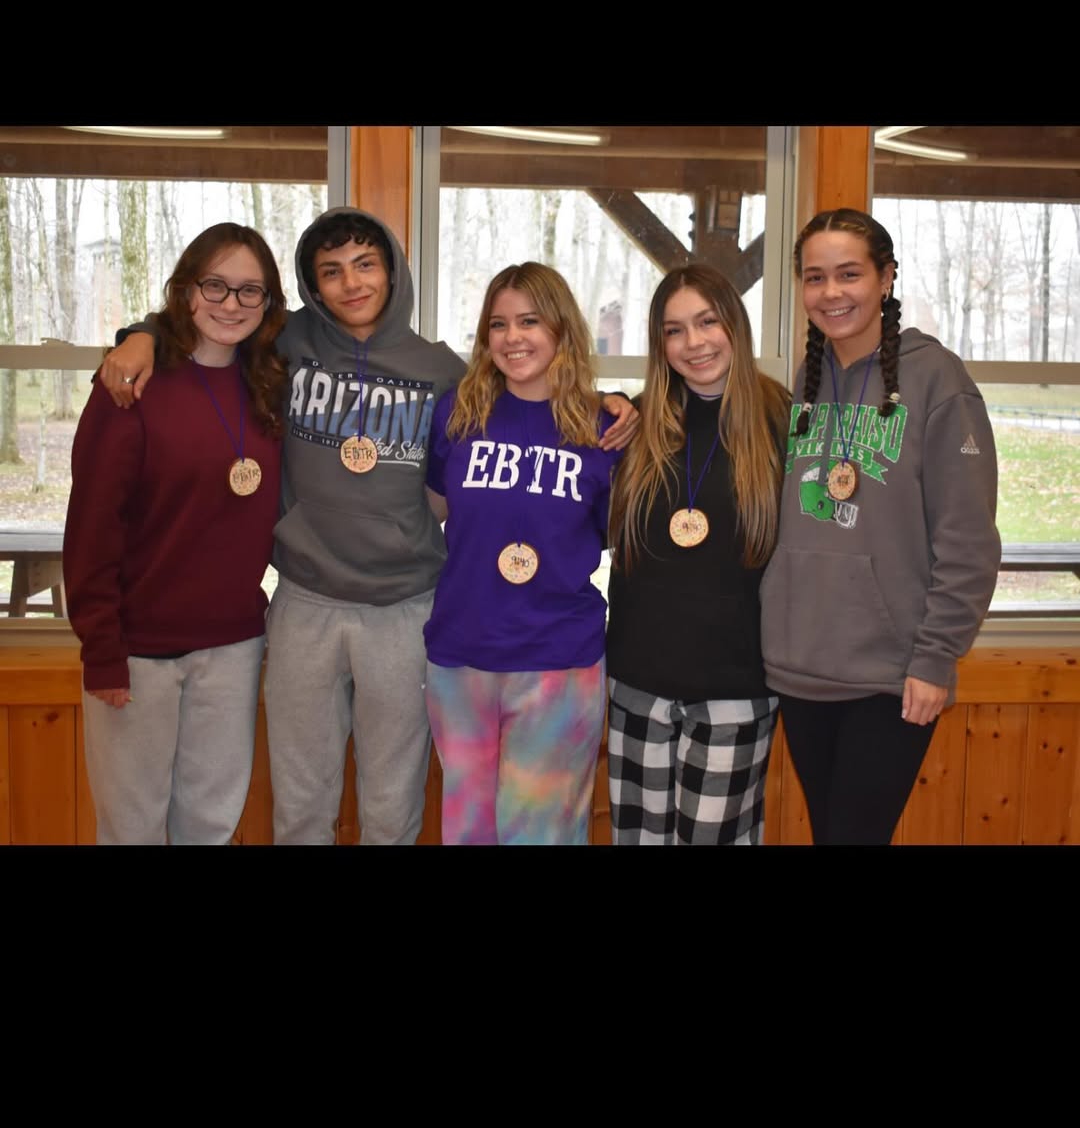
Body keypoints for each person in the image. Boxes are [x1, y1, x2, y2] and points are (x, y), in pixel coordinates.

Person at [100, 208, 637, 845]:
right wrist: (140, 334)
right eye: (331, 271)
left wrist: (614, 402)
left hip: (406, 609)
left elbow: (529, 402)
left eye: (365, 265)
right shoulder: (286, 342)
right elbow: (214, 321)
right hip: (305, 601)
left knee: (392, 805)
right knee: (302, 803)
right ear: (312, 285)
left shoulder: (443, 374)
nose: (351, 283)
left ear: (393, 272)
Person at [758, 207, 1000, 845]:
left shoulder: (937, 379)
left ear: (886, 277)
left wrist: (935, 657)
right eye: (815, 278)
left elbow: (969, 540)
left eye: (849, 274)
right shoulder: (806, 382)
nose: (830, 292)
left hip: (891, 676)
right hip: (801, 666)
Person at [63, 222, 288, 844]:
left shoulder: (272, 384)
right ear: (185, 289)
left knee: (211, 823)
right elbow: (91, 527)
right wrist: (101, 647)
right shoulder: (130, 385)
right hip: (138, 652)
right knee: (131, 827)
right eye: (215, 285)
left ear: (268, 303)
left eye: (250, 290)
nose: (231, 304)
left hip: (234, 646)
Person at [423, 263, 622, 844]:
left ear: (561, 328)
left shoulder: (604, 427)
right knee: (468, 829)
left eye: (530, 321)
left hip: (558, 660)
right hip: (460, 657)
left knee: (539, 832)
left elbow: (612, 534)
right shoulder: (456, 414)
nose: (513, 337)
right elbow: (436, 512)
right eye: (499, 324)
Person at [605, 264, 790, 844]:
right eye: (674, 330)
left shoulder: (783, 421)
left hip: (737, 686)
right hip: (638, 681)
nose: (694, 342)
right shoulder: (635, 421)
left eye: (708, 322)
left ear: (735, 324)